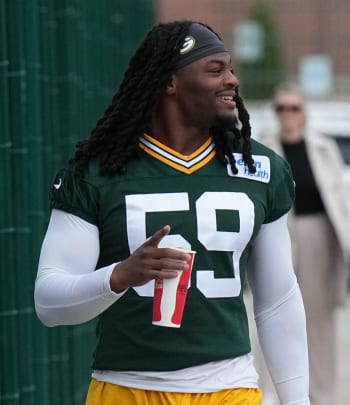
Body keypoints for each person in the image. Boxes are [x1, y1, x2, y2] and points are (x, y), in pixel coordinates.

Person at [34, 21, 310, 405]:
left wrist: (298, 400)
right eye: (215, 70)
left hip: (229, 387)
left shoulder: (259, 168)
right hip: (126, 387)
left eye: (230, 68)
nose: (231, 80)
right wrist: (119, 276)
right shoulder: (97, 173)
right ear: (169, 82)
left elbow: (277, 299)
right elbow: (48, 303)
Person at [253, 83, 350, 405]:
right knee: (272, 310)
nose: (287, 115)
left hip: (319, 233)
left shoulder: (323, 148)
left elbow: (341, 199)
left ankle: (319, 394)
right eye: (281, 108)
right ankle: (269, 393)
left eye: (294, 108)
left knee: (318, 319)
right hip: (278, 234)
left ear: (304, 112)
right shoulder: (263, 150)